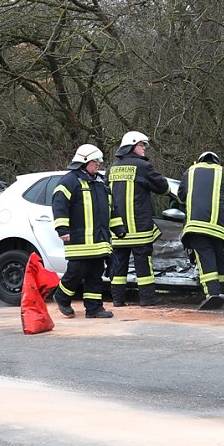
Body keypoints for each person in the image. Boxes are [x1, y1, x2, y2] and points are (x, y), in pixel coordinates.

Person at [52, 144, 125, 319]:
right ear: (83, 162)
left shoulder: (100, 182)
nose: (98, 164)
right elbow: (60, 206)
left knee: (95, 274)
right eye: (95, 161)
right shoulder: (69, 181)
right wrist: (62, 229)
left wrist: (119, 227)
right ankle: (61, 296)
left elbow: (111, 208)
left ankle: (94, 309)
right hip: (79, 239)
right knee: (76, 271)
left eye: (99, 161)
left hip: (99, 240)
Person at [106, 131, 171, 307]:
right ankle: (148, 299)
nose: (144, 149)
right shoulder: (142, 166)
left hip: (117, 228)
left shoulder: (112, 168)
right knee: (143, 264)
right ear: (132, 146)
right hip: (139, 228)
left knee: (119, 266)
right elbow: (162, 186)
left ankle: (118, 300)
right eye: (142, 145)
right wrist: (169, 194)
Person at [177, 151, 224, 304]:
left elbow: (180, 198)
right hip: (219, 229)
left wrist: (186, 209)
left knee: (205, 259)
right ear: (216, 162)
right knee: (220, 258)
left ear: (200, 160)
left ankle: (213, 295)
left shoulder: (190, 172)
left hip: (196, 228)